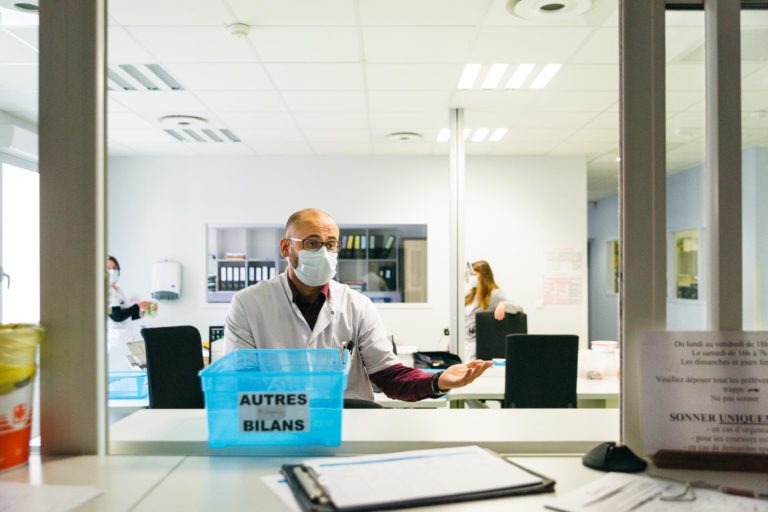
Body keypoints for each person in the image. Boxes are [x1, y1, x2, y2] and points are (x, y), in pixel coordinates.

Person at [224, 208, 492, 401]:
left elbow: (388, 376)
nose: (324, 253)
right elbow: (241, 382)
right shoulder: (249, 304)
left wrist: (437, 380)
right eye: (312, 243)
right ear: (285, 248)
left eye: (331, 244)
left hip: (350, 423)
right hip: (280, 425)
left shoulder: (357, 305)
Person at [464, 260, 523, 361]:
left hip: (478, 343)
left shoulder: (494, 294)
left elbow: (518, 307)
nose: (471, 277)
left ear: (483, 275)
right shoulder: (470, 295)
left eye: (474, 274)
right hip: (464, 342)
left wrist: (503, 304)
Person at [107, 255, 155, 370]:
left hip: (126, 340)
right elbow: (117, 316)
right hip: (115, 342)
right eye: (108, 268)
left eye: (115, 267)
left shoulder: (118, 290)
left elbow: (125, 315)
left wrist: (141, 313)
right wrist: (138, 305)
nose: (112, 271)